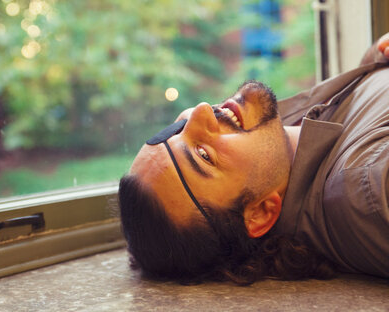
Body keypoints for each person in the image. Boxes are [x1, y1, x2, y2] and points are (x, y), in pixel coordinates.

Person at [119, 33, 389, 285]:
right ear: (260, 214)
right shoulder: (370, 189)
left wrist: (372, 68)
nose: (201, 111)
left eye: (176, 129)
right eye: (203, 155)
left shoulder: (286, 137)